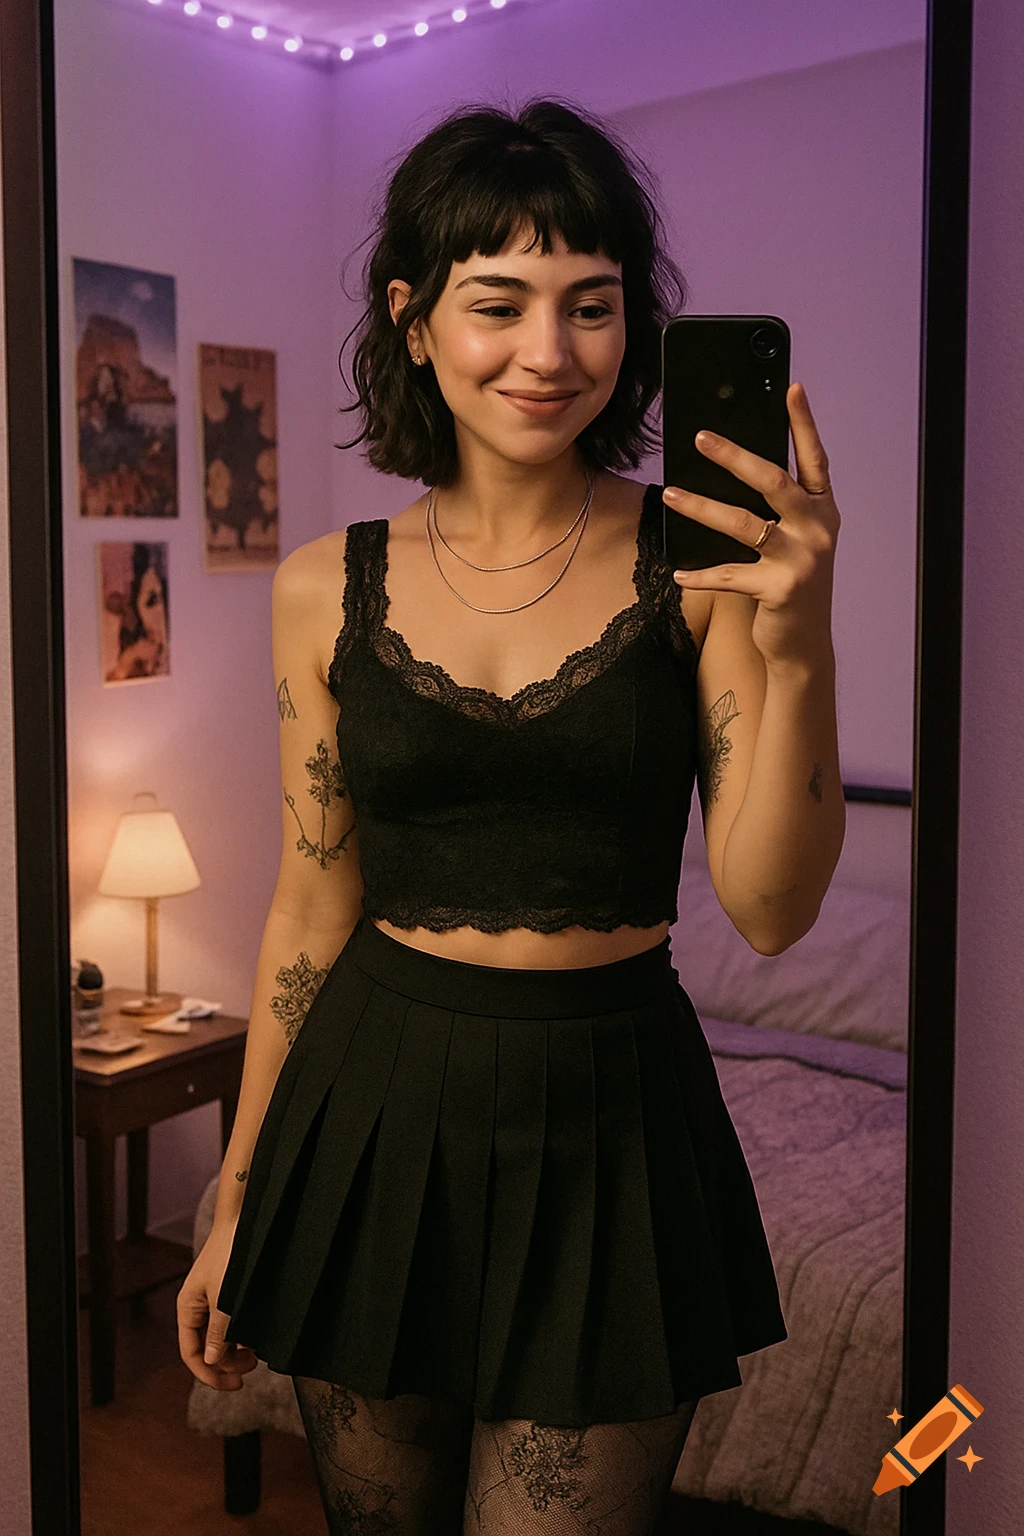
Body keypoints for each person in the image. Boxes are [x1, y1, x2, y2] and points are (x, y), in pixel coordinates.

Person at [177, 97, 843, 1534]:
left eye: (591, 306)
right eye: (501, 303)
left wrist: (802, 640)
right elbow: (309, 908)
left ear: (633, 328)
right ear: (416, 321)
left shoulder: (708, 566)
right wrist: (237, 1195)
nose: (550, 353)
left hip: (608, 1122)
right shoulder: (318, 585)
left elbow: (776, 911)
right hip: (370, 1110)